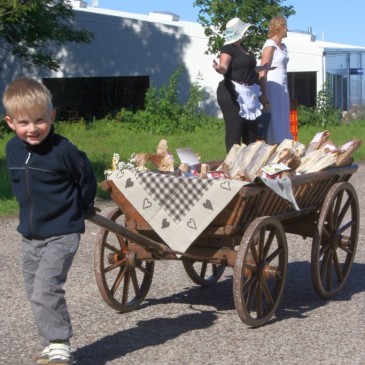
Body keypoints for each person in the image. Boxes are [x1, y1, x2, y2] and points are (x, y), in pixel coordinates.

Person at [3, 77, 97, 365]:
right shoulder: (12, 149)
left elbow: (86, 179)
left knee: (47, 287)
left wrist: (79, 209)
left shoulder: (63, 151)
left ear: (52, 116)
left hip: (62, 233)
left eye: (40, 120)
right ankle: (50, 345)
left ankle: (59, 344)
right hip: (31, 235)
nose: (32, 128)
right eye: (24, 123)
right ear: (10, 122)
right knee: (34, 291)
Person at [213, 17, 272, 153]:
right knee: (235, 130)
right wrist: (218, 68)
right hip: (232, 93)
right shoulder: (227, 48)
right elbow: (223, 68)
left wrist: (264, 67)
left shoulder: (242, 47)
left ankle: (248, 163)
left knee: (251, 131)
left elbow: (248, 69)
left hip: (249, 92)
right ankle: (232, 163)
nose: (246, 32)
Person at [259, 15, 293, 144]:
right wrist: (264, 92)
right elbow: (263, 69)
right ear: (279, 27)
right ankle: (275, 143)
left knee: (283, 115)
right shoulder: (270, 44)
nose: (287, 29)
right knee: (275, 116)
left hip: (283, 85)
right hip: (272, 85)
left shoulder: (283, 46)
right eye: (285, 26)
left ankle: (285, 141)